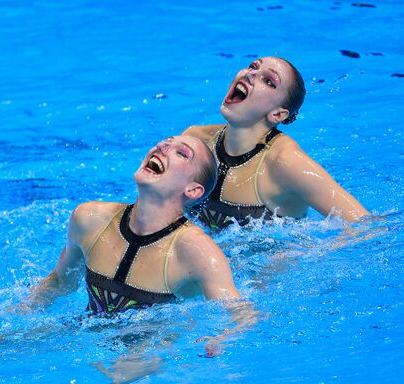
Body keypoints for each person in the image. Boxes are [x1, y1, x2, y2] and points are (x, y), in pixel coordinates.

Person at [21, 135, 243, 314]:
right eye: (166, 142)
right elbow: (61, 281)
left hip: (155, 351)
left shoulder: (197, 252)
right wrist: (20, 311)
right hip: (87, 337)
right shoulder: (90, 219)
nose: (162, 146)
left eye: (181, 153)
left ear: (193, 190)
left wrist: (219, 339)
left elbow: (240, 313)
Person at [183, 56, 369, 231]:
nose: (251, 73)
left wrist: (314, 253)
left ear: (278, 114)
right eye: (253, 66)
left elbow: (364, 226)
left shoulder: (286, 163)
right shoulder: (195, 142)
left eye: (269, 81)